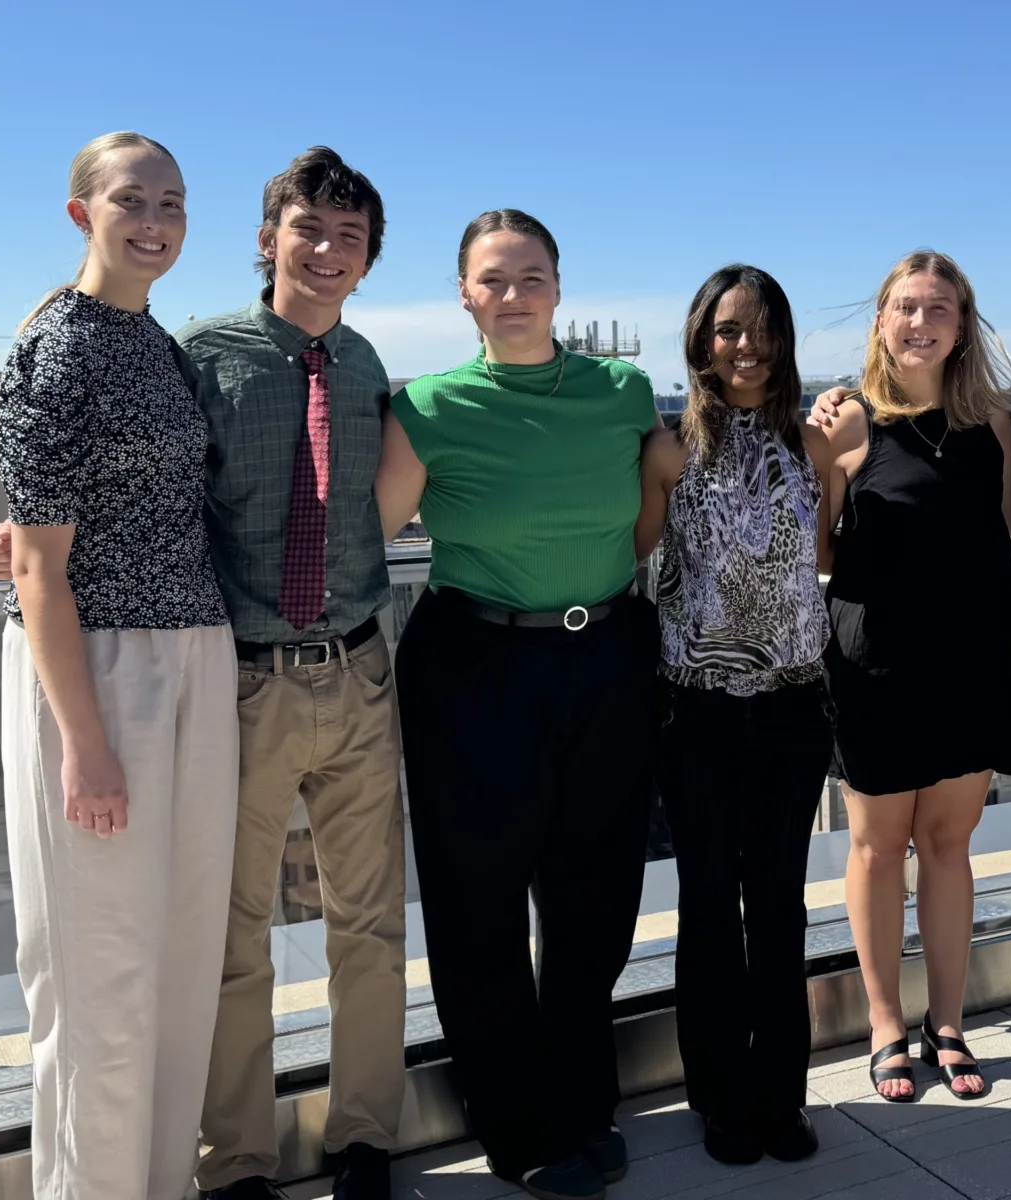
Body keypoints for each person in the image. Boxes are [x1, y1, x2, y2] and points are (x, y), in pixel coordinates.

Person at [0, 147, 407, 1200]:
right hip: (235, 678)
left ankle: (364, 1142)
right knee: (223, 940)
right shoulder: (193, 353)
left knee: (366, 928)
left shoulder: (364, 370)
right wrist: (25, 548)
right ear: (267, 240)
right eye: (306, 228)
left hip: (345, 669)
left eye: (348, 238)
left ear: (367, 263)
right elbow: (94, 503)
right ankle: (236, 1162)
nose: (325, 250)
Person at [376, 209, 660, 1200]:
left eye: (530, 275)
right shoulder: (429, 407)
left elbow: (668, 497)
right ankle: (514, 1123)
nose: (512, 294)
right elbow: (360, 531)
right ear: (463, 293)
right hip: (474, 666)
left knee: (595, 896)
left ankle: (586, 1102)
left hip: (609, 658)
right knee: (479, 906)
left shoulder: (621, 391)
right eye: (492, 278)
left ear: (558, 286)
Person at [0, 131, 237, 1200]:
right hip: (94, 672)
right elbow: (42, 572)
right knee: (99, 974)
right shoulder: (56, 346)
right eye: (132, 200)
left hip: (194, 656)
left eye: (173, 204)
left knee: (179, 960)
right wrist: (83, 745)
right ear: (80, 213)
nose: (155, 221)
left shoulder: (163, 348)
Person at [809, 252, 1011, 1103]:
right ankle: (884, 1024)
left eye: (939, 307)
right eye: (905, 306)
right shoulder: (846, 423)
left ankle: (948, 1024)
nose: (920, 321)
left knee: (948, 845)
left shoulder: (993, 424)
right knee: (875, 847)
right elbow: (820, 547)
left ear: (962, 325)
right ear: (880, 320)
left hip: (973, 659)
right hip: (876, 662)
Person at [634, 266, 834, 1165]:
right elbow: (633, 555)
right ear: (700, 341)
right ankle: (717, 1098)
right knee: (710, 906)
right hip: (701, 714)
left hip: (793, 707)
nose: (746, 347)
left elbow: (835, 551)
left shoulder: (814, 438)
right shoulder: (670, 445)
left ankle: (781, 1098)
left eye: (762, 331)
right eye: (728, 331)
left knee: (782, 907)